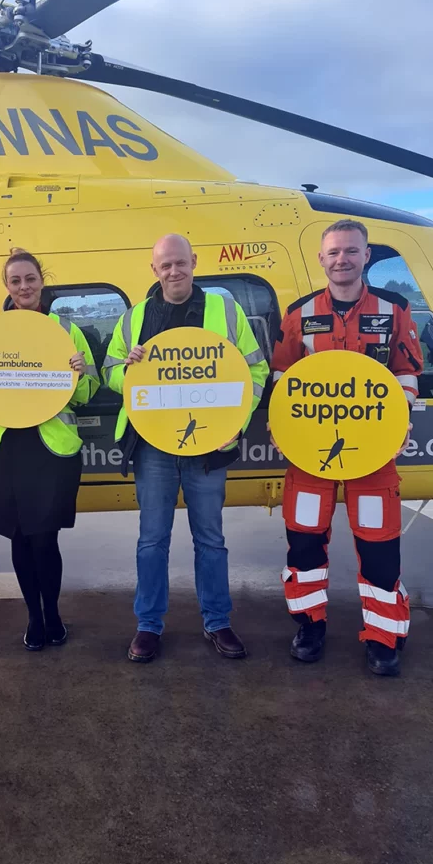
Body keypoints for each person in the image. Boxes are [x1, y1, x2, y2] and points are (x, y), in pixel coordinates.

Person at [103, 234, 270, 663]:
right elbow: (109, 374)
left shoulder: (224, 310)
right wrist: (129, 370)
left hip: (209, 443)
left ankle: (217, 621)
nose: (174, 272)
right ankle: (148, 626)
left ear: (194, 262)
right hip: (153, 446)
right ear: (154, 270)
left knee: (210, 539)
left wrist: (235, 421)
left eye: (181, 263)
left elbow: (256, 368)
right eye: (165, 266)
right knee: (152, 540)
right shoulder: (134, 317)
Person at [270, 218, 423, 677]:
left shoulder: (394, 310)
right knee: (304, 546)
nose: (342, 259)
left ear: (366, 256)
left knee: (379, 548)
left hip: (373, 456)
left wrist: (400, 419)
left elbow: (407, 374)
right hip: (310, 456)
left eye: (351, 251)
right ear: (321, 259)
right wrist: (282, 426)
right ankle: (309, 626)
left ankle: (383, 637)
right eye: (334, 252)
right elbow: (282, 380)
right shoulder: (298, 313)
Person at [0, 248, 100, 650]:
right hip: (7, 449)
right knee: (20, 537)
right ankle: (34, 618)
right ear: (8, 286)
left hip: (48, 450)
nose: (24, 287)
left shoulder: (66, 331)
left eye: (30, 279)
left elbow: (86, 395)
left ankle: (52, 613)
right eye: (16, 280)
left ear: (42, 280)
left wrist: (79, 373)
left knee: (44, 538)